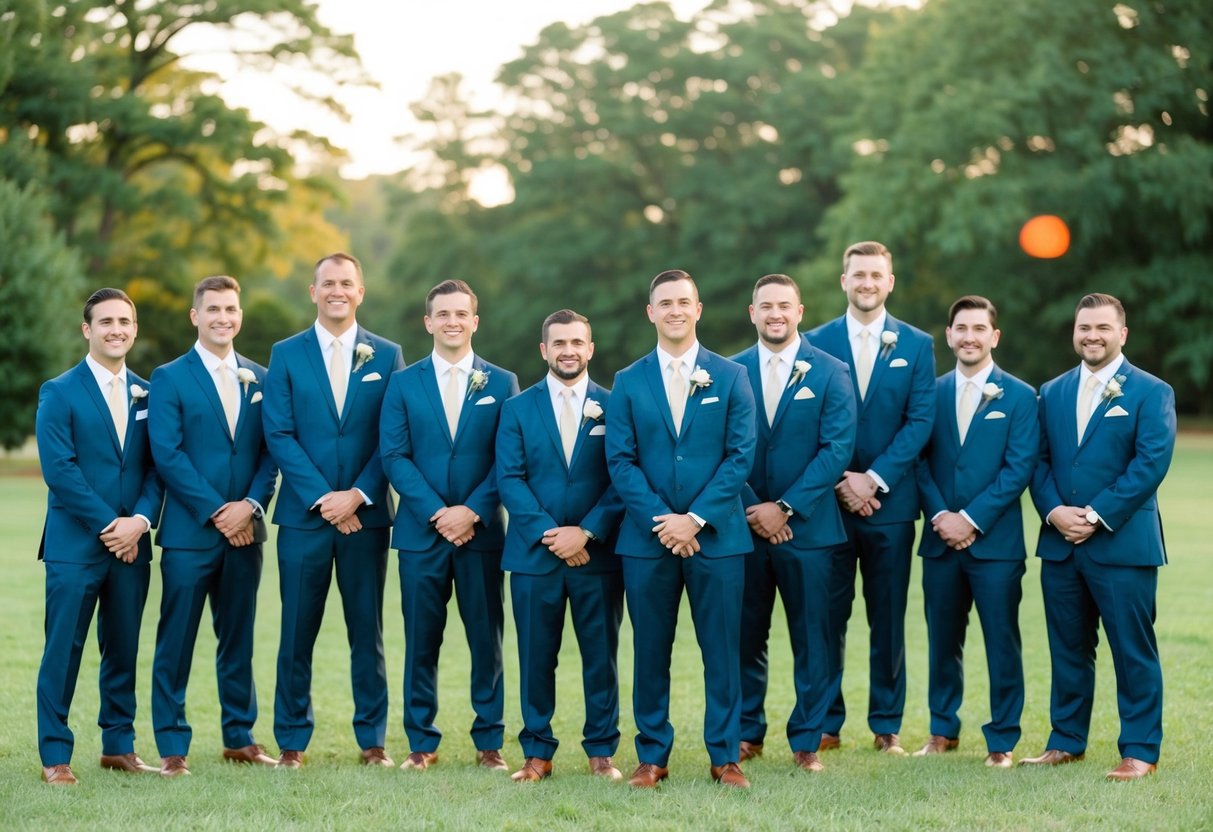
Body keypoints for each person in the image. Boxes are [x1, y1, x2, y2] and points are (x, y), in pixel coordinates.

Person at [605, 269, 757, 789]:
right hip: (647, 541)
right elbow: (620, 460)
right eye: (664, 303)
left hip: (718, 537)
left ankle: (725, 756)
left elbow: (740, 456)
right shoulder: (628, 381)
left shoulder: (731, 376)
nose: (674, 310)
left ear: (698, 309)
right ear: (651, 312)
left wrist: (693, 519)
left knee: (723, 652)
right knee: (650, 651)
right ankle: (652, 757)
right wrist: (663, 522)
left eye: (683, 302)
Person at [1024, 293, 1175, 781]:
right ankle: (1065, 741)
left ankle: (1140, 751)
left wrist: (1094, 515)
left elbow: (1150, 463)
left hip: (1122, 544)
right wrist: (1054, 512)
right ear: (1075, 332)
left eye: (1103, 327)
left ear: (1122, 333)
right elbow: (1037, 460)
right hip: (1060, 544)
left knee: (1132, 651)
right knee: (1068, 648)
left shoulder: (1151, 391)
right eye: (1084, 327)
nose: (1092, 336)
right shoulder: (1051, 392)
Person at [262, 252, 404, 768]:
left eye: (346, 282)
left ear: (360, 292)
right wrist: (326, 499)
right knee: (296, 631)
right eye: (328, 283)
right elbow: (279, 433)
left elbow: (393, 436)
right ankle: (292, 742)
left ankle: (373, 741)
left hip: (366, 519)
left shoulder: (387, 355)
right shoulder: (286, 354)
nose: (337, 290)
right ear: (313, 291)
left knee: (367, 631)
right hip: (304, 519)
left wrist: (358, 495)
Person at [380, 279, 519, 772]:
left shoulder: (501, 382)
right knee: (421, 641)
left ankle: (489, 742)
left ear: (474, 321)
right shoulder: (403, 383)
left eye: (461, 313)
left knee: (487, 641)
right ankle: (421, 742)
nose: (452, 321)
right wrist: (439, 513)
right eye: (443, 314)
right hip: (421, 535)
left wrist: (472, 511)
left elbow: (509, 459)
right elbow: (394, 456)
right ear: (429, 322)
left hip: (482, 536)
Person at [147, 275, 279, 776]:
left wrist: (251, 504)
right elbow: (168, 454)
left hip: (247, 533)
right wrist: (219, 511)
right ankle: (172, 746)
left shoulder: (261, 378)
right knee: (176, 641)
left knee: (238, 639)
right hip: (190, 534)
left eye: (230, 309)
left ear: (239, 316)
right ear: (195, 316)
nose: (223, 318)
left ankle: (239, 738)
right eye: (213, 309)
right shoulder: (169, 377)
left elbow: (271, 452)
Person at [808, 241, 935, 754]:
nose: (867, 282)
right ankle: (826, 723)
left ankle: (887, 724)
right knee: (826, 618)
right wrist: (842, 480)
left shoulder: (917, 344)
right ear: (844, 281)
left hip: (891, 506)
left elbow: (919, 421)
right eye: (858, 274)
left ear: (890, 282)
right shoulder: (814, 342)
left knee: (887, 617)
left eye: (875, 274)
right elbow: (809, 422)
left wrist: (874, 478)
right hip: (829, 506)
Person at [35, 287, 163, 785]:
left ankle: (119, 746)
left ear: (135, 329)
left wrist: (141, 521)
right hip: (75, 546)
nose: (116, 330)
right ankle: (55, 756)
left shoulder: (149, 393)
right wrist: (114, 526)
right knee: (63, 651)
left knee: (123, 648)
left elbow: (157, 467)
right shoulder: (59, 391)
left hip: (133, 546)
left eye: (124, 321)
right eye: (106, 321)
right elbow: (60, 470)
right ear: (87, 329)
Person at [731, 274, 855, 774]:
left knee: (813, 637)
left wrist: (784, 508)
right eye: (766, 306)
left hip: (810, 530)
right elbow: (721, 447)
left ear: (799, 311)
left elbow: (837, 448)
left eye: (784, 305)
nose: (775, 313)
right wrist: (754, 507)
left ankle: (807, 739)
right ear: (752, 313)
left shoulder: (831, 371)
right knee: (746, 635)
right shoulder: (730, 371)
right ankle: (746, 732)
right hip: (743, 528)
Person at [495, 309, 626, 782]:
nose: (568, 351)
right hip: (535, 556)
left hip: (598, 555)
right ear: (544, 350)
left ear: (590, 348)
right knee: (535, 657)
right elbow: (509, 478)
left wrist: (586, 532)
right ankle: (537, 753)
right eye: (559, 343)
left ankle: (601, 752)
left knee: (601, 657)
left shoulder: (615, 405)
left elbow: (623, 476)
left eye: (576, 342)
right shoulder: (516, 409)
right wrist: (553, 535)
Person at [913, 295, 1038, 767]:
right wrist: (942, 516)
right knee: (942, 641)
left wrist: (970, 519)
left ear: (994, 336)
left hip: (996, 546)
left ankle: (1002, 739)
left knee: (1001, 641)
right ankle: (942, 730)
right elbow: (917, 461)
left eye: (979, 329)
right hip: (939, 541)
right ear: (949, 335)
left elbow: (1019, 467)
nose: (969, 337)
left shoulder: (1021, 397)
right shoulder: (929, 393)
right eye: (961, 328)